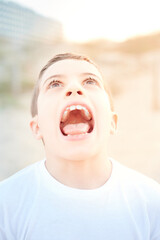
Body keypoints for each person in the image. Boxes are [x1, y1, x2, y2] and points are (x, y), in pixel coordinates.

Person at [0, 53, 160, 240]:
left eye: (90, 81)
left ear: (112, 122)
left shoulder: (151, 200)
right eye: (54, 84)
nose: (74, 88)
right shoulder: (6, 203)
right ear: (37, 127)